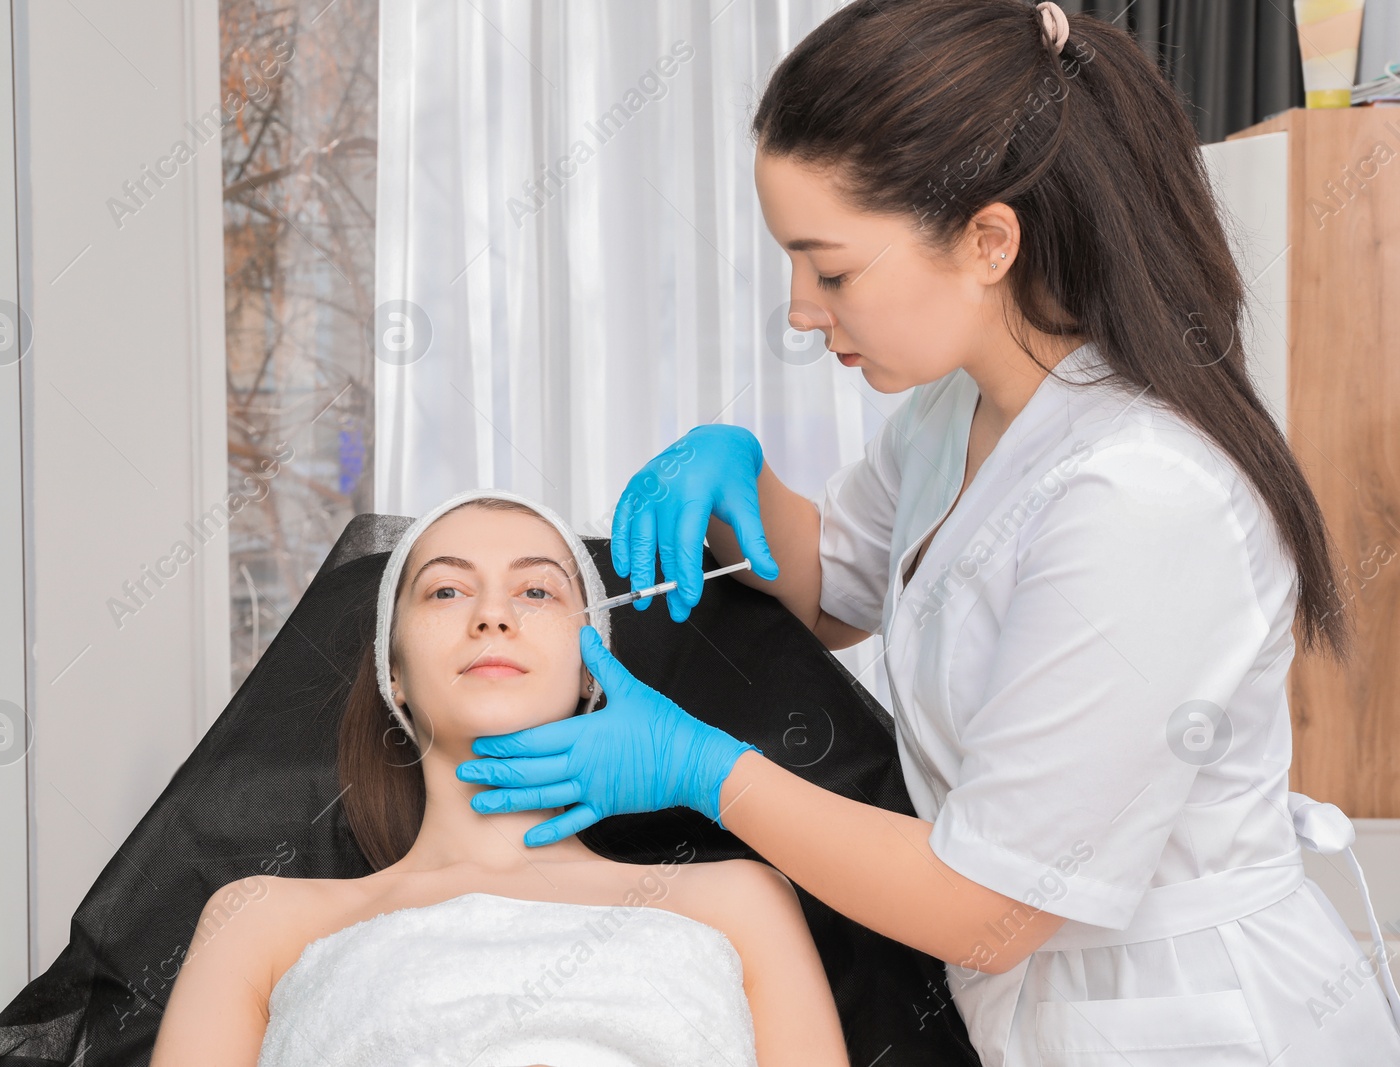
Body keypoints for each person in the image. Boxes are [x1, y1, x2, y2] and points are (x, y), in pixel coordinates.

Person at [453, 2, 1400, 1064]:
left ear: (989, 239)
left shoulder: (1141, 494)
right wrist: (742, 483)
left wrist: (702, 767)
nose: (802, 310)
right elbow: (839, 588)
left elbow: (984, 904)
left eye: (832, 268)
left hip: (1194, 1021)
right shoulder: (958, 410)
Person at [148, 489, 850, 1067]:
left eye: (537, 590)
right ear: (391, 668)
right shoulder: (258, 923)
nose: (493, 615)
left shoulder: (742, 902)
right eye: (447, 589)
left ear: (591, 664)